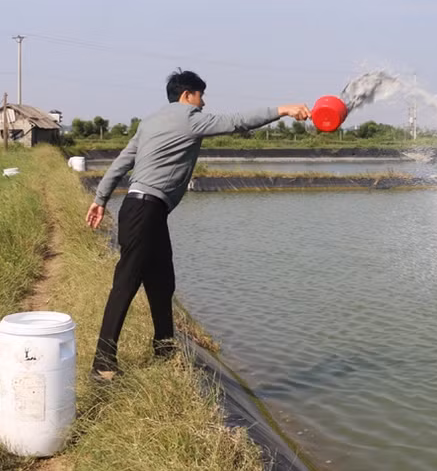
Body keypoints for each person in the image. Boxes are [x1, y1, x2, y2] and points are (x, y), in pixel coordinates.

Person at [85, 69, 310, 381]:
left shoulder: (149, 122)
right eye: (200, 96)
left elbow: (122, 162)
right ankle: (103, 362)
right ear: (186, 95)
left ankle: (164, 347)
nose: (203, 103)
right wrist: (283, 110)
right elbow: (237, 122)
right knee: (126, 283)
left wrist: (100, 199)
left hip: (142, 209)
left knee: (163, 281)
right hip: (145, 212)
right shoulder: (190, 118)